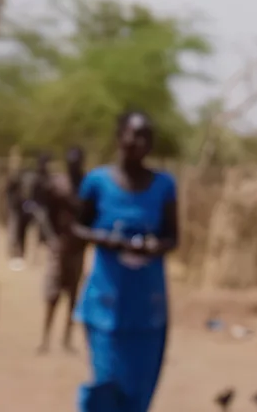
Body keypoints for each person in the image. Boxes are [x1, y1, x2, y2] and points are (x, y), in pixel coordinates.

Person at [73, 111, 179, 412]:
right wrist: (107, 239)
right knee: (107, 386)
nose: (139, 142)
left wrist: (153, 246)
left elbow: (173, 237)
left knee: (139, 392)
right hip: (105, 305)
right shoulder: (97, 182)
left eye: (146, 136)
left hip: (148, 308)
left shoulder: (164, 186)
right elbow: (78, 226)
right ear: (120, 136)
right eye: (134, 134)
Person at [39, 145, 89, 353]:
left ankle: (66, 339)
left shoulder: (87, 186)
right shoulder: (57, 185)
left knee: (73, 294)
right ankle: (45, 338)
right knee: (53, 294)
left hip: (77, 248)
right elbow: (46, 212)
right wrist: (51, 238)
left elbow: (89, 215)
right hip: (59, 246)